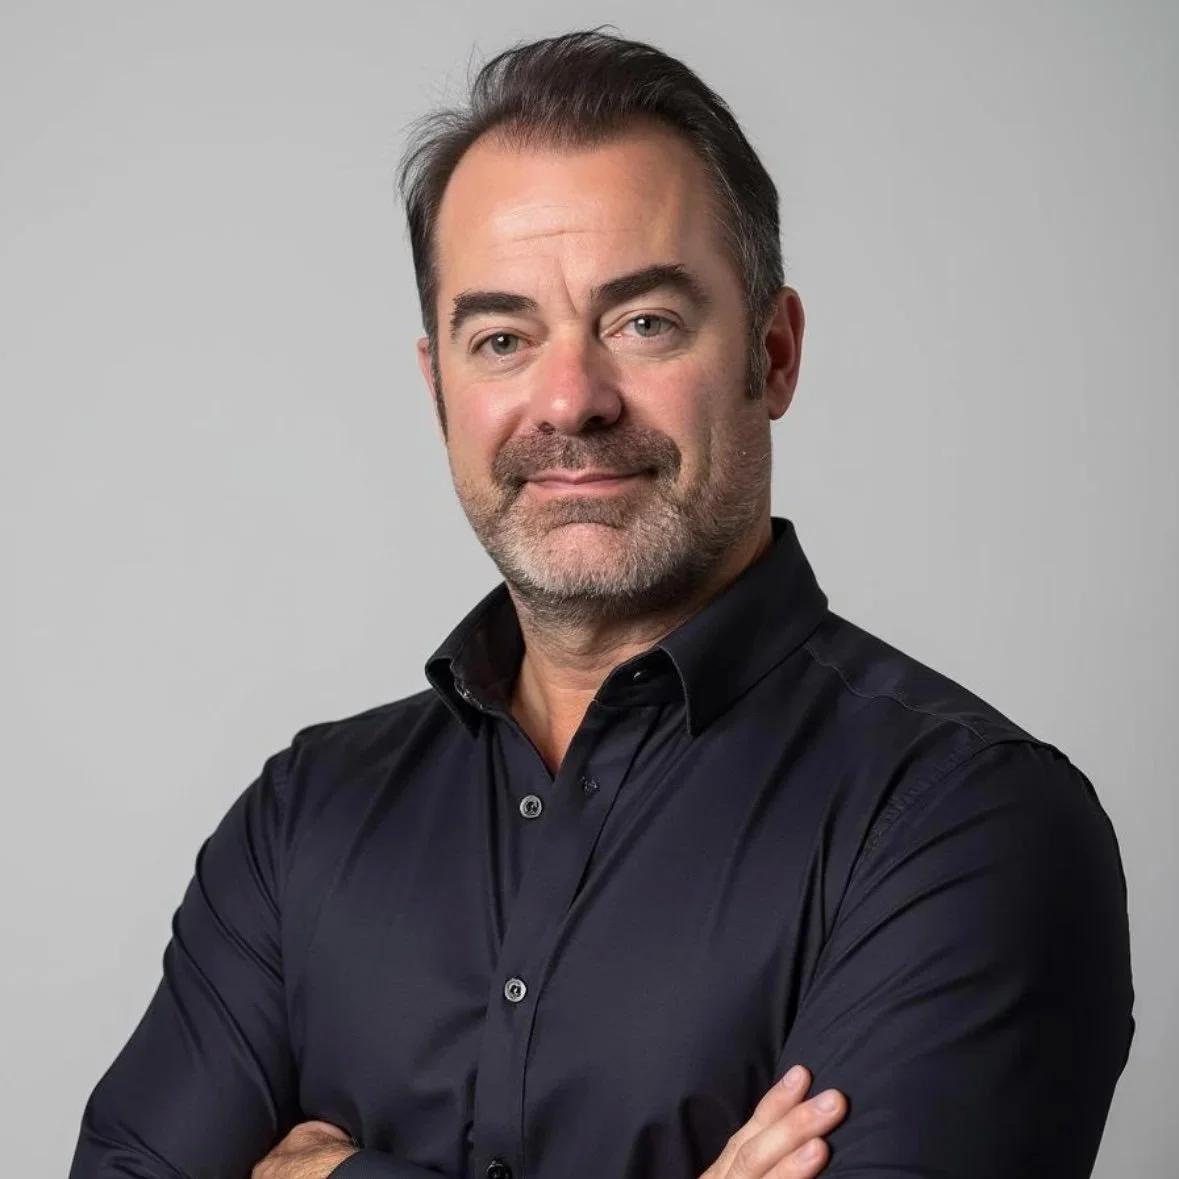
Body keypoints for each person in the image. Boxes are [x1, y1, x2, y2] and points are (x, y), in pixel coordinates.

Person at [69, 28, 1135, 1179]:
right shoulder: (301, 823)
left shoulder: (962, 824)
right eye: (503, 337)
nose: (570, 399)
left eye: (643, 322)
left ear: (772, 355)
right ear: (440, 387)